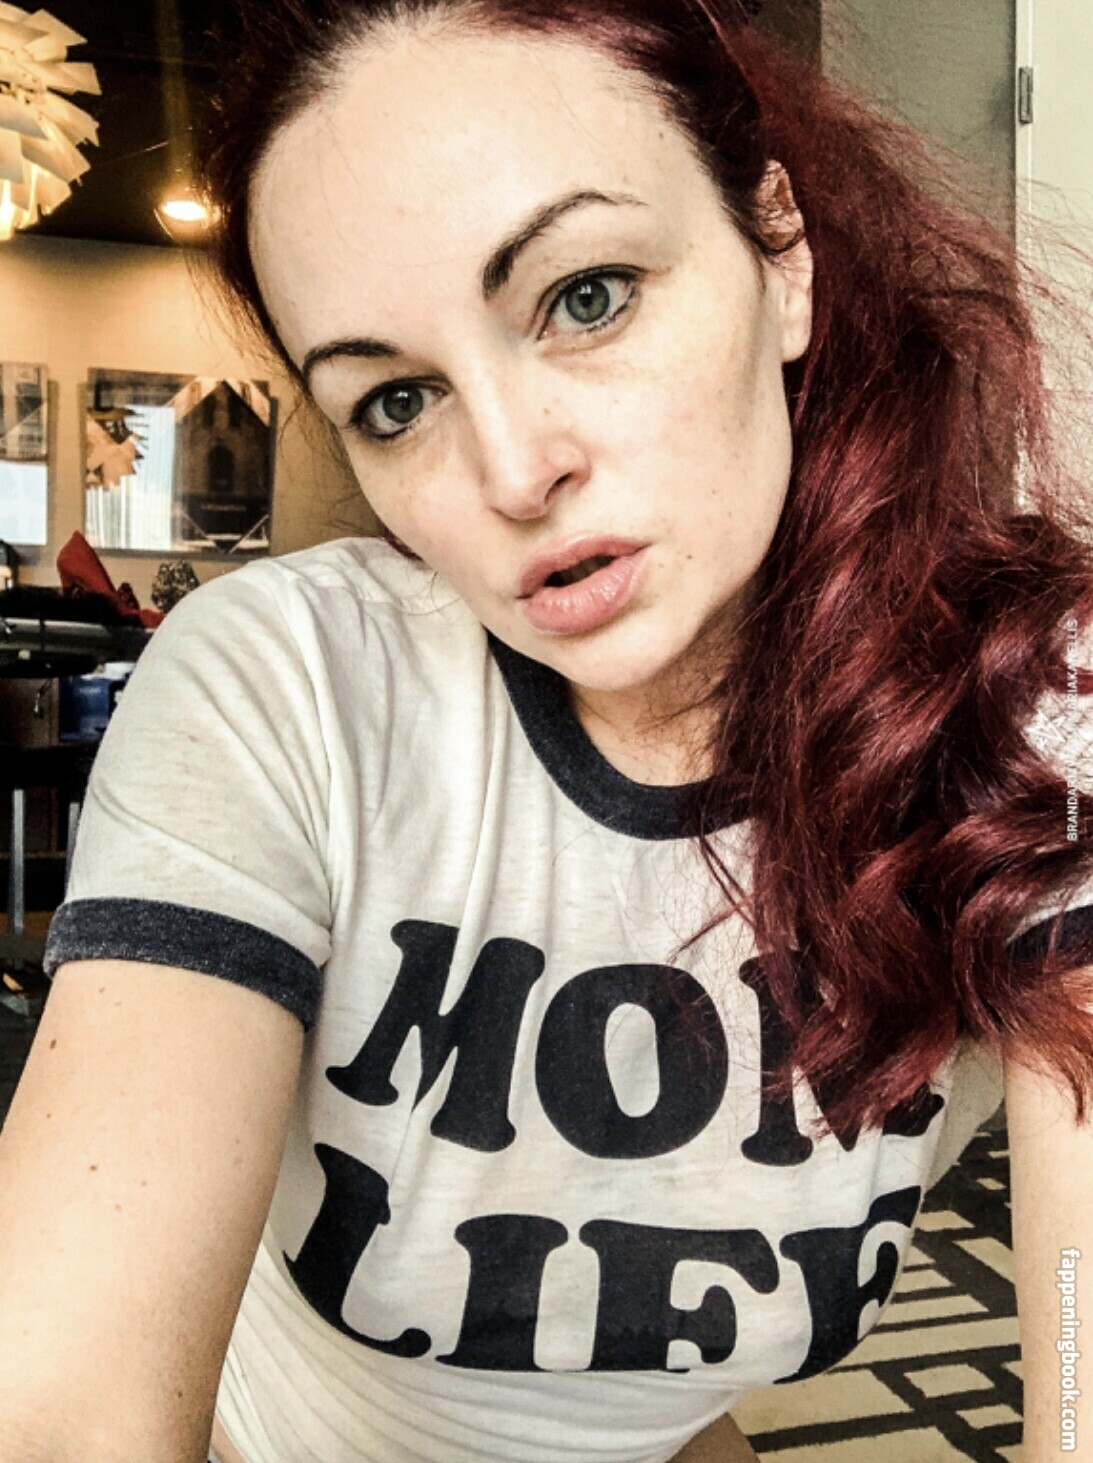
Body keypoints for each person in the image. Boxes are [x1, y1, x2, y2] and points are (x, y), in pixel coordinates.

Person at [2, 1, 1093, 1460]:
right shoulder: (290, 688)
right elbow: (66, 1410)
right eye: (397, 401)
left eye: (586, 297)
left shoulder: (1038, 707)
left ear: (779, 252)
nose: (514, 472)